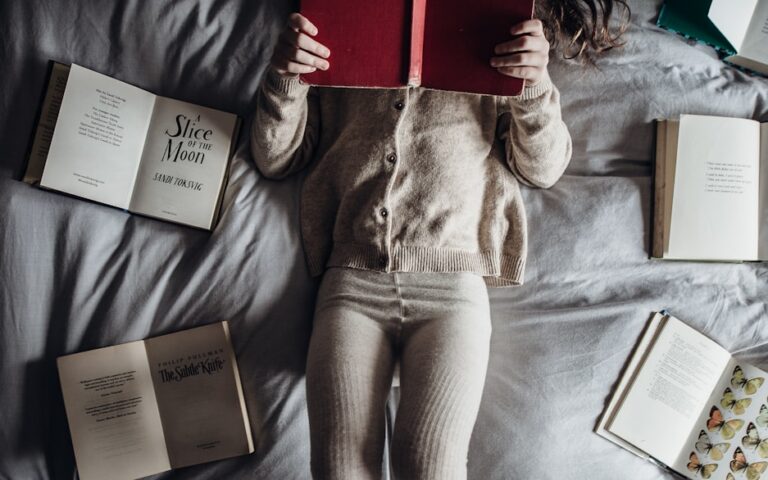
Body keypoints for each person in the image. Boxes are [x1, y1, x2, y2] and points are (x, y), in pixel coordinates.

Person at [251, 2, 629, 479]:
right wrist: (285, 77)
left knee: (431, 467)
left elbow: (544, 168)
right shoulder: (343, 20)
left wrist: (533, 84)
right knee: (339, 471)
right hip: (352, 284)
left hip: (452, 290)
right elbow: (275, 158)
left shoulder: (495, 27)